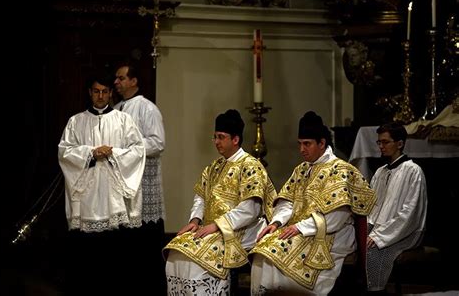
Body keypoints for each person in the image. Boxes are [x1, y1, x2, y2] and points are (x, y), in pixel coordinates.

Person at [249, 111, 376, 296]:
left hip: (330, 234)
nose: (301, 149)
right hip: (300, 230)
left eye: (307, 144)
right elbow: (287, 203)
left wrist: (300, 227)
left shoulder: (340, 170)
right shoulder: (301, 169)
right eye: (299, 144)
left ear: (322, 143)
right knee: (262, 248)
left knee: (276, 251)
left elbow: (336, 217)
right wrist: (275, 223)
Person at [163, 109, 276, 295]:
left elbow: (251, 209)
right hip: (211, 228)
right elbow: (200, 196)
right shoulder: (214, 167)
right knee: (177, 250)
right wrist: (194, 221)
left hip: (242, 229)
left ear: (235, 139)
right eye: (215, 136)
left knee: (198, 258)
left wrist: (218, 225)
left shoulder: (250, 166)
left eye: (221, 137)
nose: (216, 142)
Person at [58, 72, 146, 295]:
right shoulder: (76, 121)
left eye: (104, 91)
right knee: (86, 257)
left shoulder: (123, 120)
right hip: (87, 198)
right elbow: (64, 152)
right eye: (96, 91)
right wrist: (90, 153)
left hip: (112, 198)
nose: (100, 96)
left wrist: (113, 153)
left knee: (113, 254)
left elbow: (138, 150)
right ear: (90, 92)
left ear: (110, 93)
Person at [114, 63, 167, 294]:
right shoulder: (115, 109)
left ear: (134, 81)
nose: (116, 82)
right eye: (116, 79)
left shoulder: (147, 108)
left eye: (121, 78)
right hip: (121, 186)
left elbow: (157, 142)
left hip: (144, 185)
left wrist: (127, 148)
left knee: (145, 249)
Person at [365, 122, 427, 294]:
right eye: (379, 142)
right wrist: (367, 229)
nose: (381, 146)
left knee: (373, 253)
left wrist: (378, 236)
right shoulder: (380, 172)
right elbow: (371, 206)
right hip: (379, 226)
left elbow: (410, 212)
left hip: (405, 231)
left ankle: (377, 291)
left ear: (399, 144)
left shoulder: (413, 171)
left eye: (385, 142)